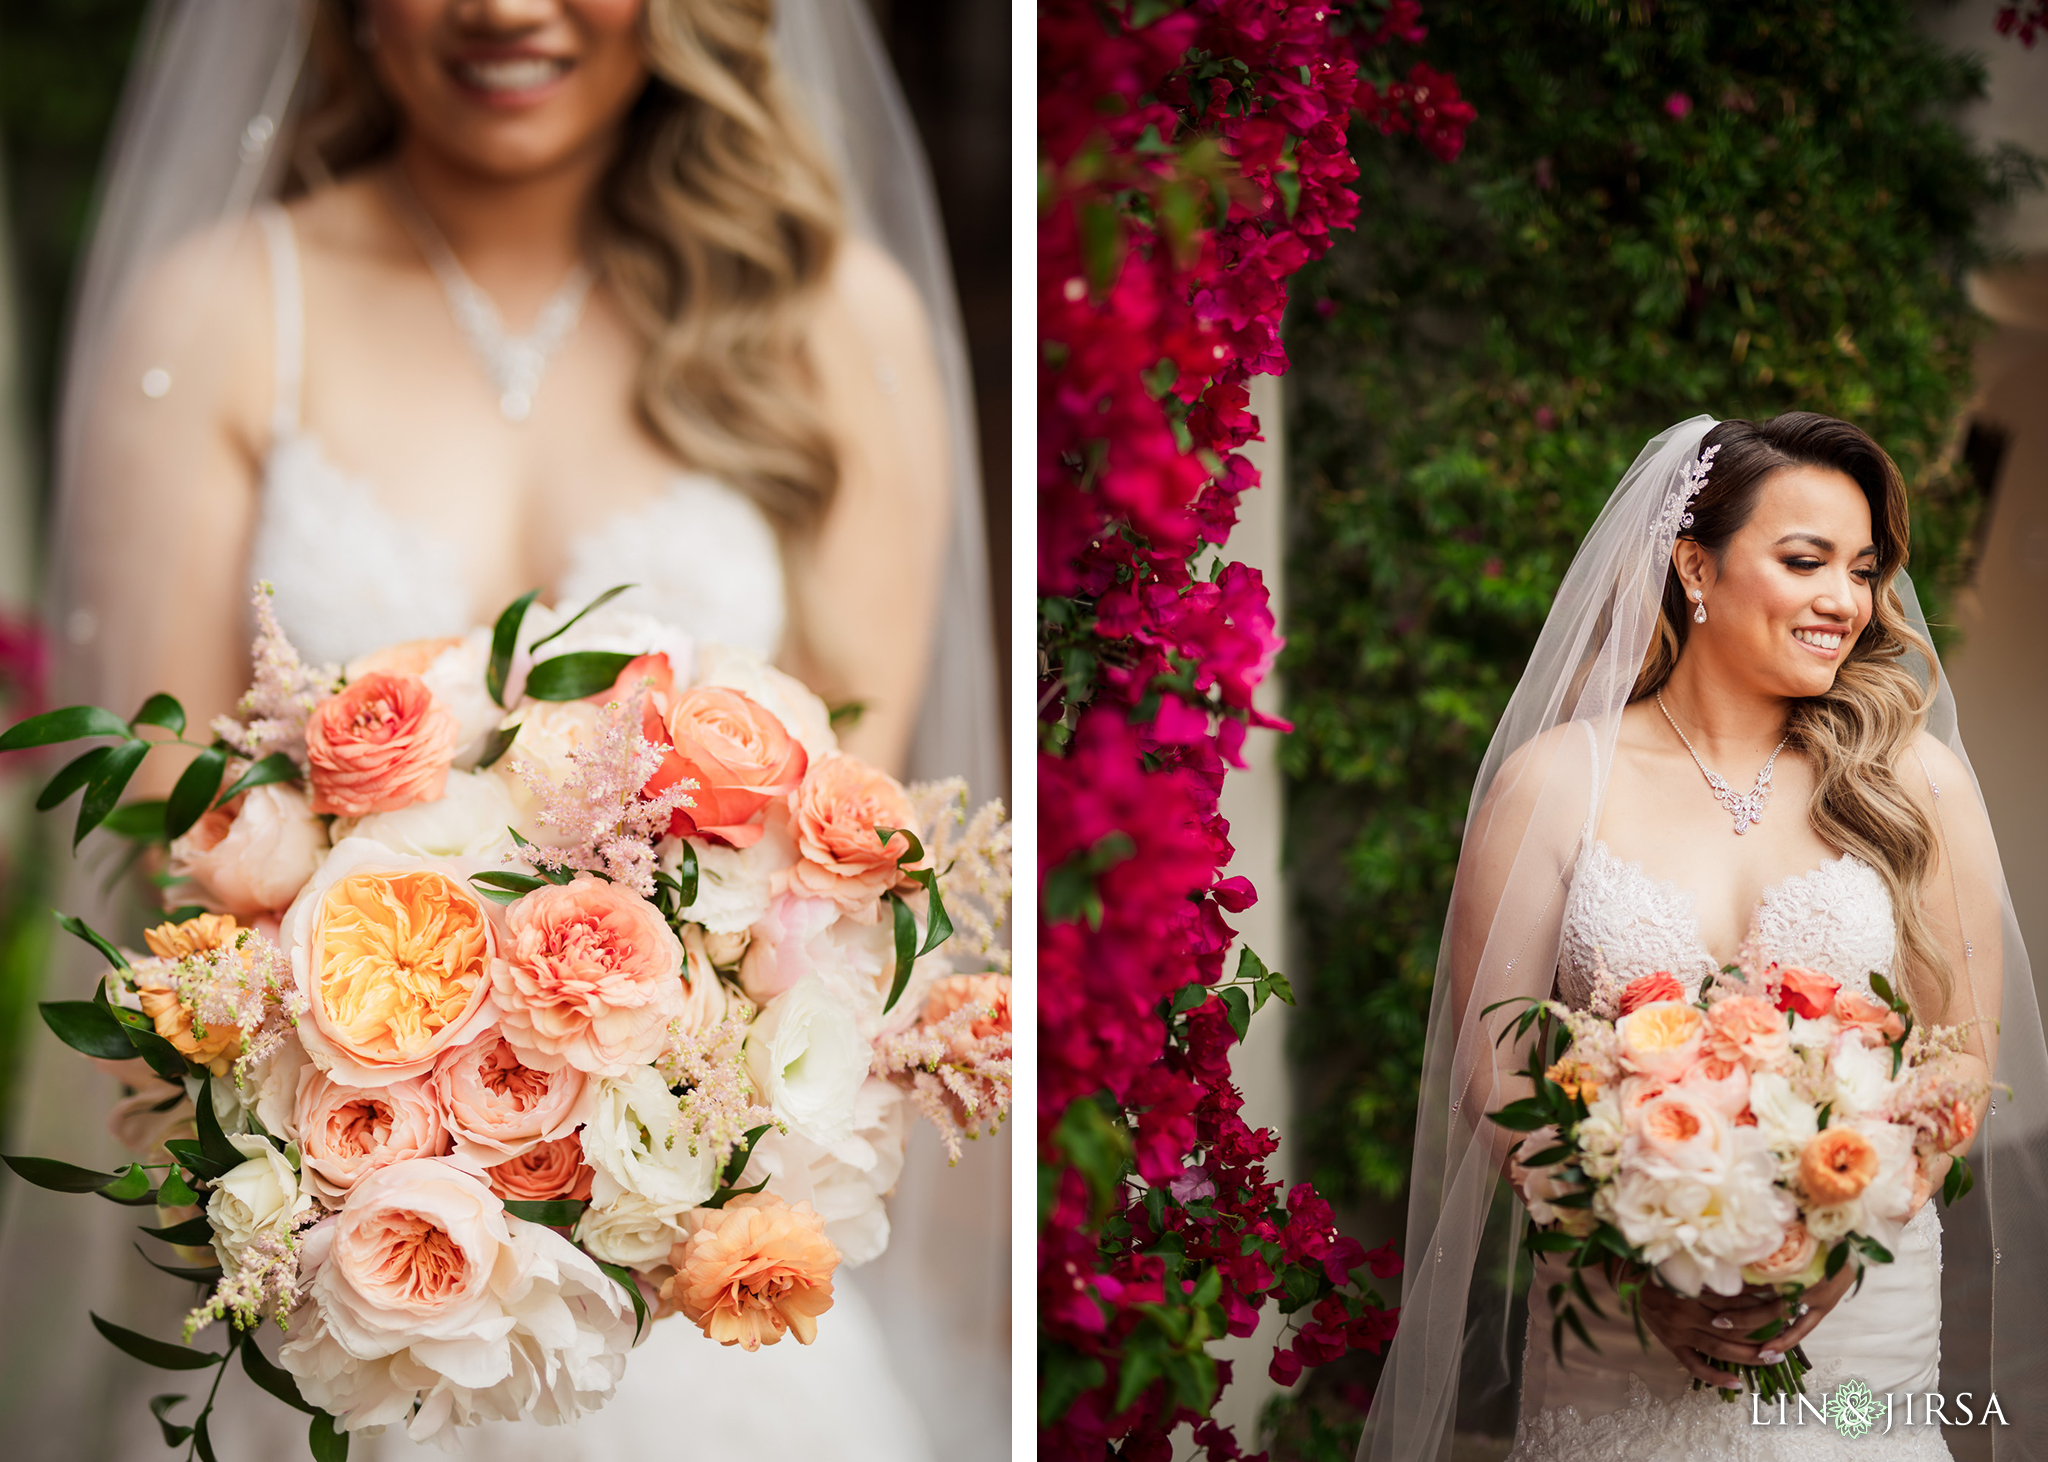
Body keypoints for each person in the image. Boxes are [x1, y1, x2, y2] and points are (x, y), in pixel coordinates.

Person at [0, 1, 1004, 1458]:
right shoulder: (218, 313)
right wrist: (379, 1132)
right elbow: (174, 864)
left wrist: (649, 1120)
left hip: (705, 1327)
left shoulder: (835, 320)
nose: (503, 8)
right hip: (344, 1304)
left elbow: (845, 875)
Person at [1356, 414, 2048, 1460]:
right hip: (1615, 1332)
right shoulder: (1555, 783)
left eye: (1861, 570)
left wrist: (1828, 1239)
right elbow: (1493, 1077)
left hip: (1858, 1319)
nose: (1843, 601)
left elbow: (1957, 1059)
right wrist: (1634, 1266)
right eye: (1803, 560)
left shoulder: (1913, 784)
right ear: (1694, 565)